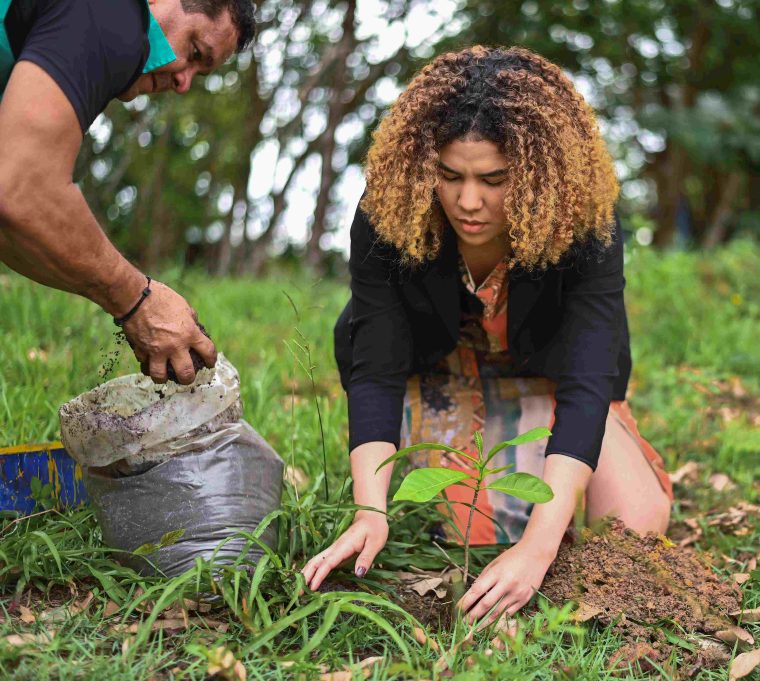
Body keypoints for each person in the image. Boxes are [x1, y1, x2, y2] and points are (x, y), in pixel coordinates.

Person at [301, 46, 673, 623]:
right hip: (435, 374)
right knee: (456, 524)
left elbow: (588, 377)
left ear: (537, 175)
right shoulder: (389, 213)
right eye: (450, 176)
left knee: (635, 523)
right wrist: (369, 511)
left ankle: (533, 518)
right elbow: (375, 365)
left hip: (542, 376)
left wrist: (538, 549)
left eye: (493, 180)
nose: (468, 202)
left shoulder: (585, 222)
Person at [0, 0, 256, 384]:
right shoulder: (114, 14)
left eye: (199, 73)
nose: (184, 83)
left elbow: (10, 221)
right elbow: (23, 191)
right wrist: (139, 300)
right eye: (194, 52)